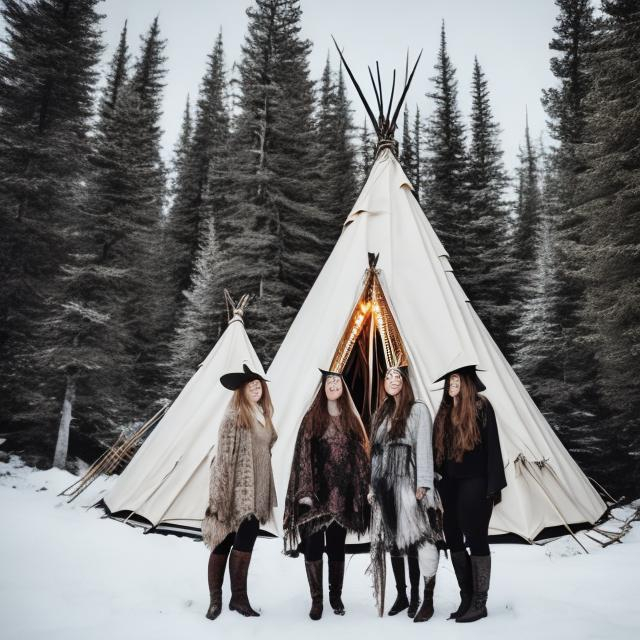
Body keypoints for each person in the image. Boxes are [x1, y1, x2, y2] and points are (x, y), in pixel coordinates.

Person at [284, 369, 370, 620]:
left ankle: (335, 596)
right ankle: (317, 599)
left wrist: (362, 487)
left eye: (337, 382)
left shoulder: (350, 420)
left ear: (343, 388)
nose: (333, 385)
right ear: (323, 388)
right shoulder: (312, 418)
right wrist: (305, 491)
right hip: (317, 496)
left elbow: (359, 458)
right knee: (313, 546)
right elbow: (302, 455)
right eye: (329, 382)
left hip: (341, 495)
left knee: (336, 546)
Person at [202, 364, 278, 620]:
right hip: (235, 489)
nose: (256, 388)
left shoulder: (263, 415)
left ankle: (239, 598)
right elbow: (223, 458)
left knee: (245, 542)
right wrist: (220, 498)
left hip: (257, 491)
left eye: (259, 385)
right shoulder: (234, 415)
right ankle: (215, 600)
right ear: (242, 391)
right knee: (223, 541)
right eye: (251, 385)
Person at [368, 365, 444, 622]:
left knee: (414, 539)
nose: (392, 380)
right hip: (385, 485)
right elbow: (375, 454)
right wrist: (372, 486)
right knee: (393, 541)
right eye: (387, 377)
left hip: (409, 482)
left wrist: (423, 483)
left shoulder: (417, 409)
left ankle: (416, 597)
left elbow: (423, 446)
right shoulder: (381, 413)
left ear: (405, 381)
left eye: (396, 376)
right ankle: (401, 595)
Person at [432, 365, 506, 623]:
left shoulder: (480, 407)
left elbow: (493, 445)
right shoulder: (443, 412)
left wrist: (492, 486)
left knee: (475, 536)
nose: (451, 383)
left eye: (455, 379)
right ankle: (466, 596)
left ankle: (479, 602)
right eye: (449, 380)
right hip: (449, 483)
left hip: (476, 481)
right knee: (452, 535)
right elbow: (437, 452)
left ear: (465, 382)